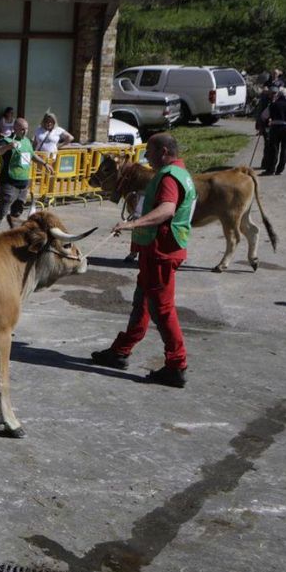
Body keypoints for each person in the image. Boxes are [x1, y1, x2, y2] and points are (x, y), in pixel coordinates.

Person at [91, 132, 195, 388]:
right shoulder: (180, 173)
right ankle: (120, 351)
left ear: (164, 152)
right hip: (156, 250)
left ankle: (176, 364)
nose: (145, 156)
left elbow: (167, 209)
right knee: (143, 303)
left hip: (162, 251)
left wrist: (133, 223)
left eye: (149, 151)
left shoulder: (170, 177)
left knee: (163, 310)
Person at [0, 118, 54, 236]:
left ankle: (13, 234)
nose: (25, 131)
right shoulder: (6, 140)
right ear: (15, 128)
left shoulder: (27, 141)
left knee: (17, 212)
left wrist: (44, 164)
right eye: (22, 129)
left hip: (23, 182)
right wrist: (8, 147)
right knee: (2, 211)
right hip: (8, 181)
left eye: (26, 129)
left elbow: (32, 155)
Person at [261, 87, 286, 176]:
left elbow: (263, 116)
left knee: (273, 149)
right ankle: (280, 169)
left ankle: (271, 169)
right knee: (285, 149)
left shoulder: (273, 105)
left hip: (275, 127)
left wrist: (265, 124)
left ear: (279, 95)